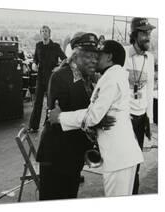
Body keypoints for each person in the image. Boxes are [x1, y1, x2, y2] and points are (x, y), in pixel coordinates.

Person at [49, 40, 144, 197]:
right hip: (122, 156)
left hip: (118, 158)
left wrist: (60, 117)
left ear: (109, 57)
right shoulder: (114, 75)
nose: (95, 59)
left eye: (98, 55)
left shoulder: (111, 78)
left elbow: (93, 116)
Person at [36, 32, 104, 200]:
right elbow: (59, 117)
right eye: (88, 56)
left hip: (73, 155)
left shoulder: (88, 78)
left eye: (96, 57)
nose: (93, 61)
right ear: (75, 56)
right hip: (57, 156)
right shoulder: (60, 76)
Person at [124, 17, 156, 194]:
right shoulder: (123, 55)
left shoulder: (149, 58)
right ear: (135, 35)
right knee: (125, 164)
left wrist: (149, 119)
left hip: (141, 118)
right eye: (144, 33)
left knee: (136, 164)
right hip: (125, 119)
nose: (148, 36)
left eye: (149, 33)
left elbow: (150, 89)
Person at [28, 25, 66, 132]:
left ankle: (49, 125)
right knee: (37, 102)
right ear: (40, 33)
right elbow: (35, 59)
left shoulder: (55, 46)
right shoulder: (38, 45)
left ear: (49, 33)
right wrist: (34, 64)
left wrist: (58, 68)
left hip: (51, 77)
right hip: (40, 77)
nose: (44, 33)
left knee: (50, 102)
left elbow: (65, 59)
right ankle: (33, 126)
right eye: (42, 31)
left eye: (46, 31)